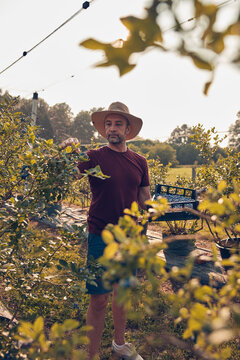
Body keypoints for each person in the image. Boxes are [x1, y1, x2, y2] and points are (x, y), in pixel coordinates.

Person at [61, 102, 150, 360]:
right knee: (99, 300)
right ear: (104, 130)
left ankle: (119, 345)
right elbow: (69, 176)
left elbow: (144, 199)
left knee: (121, 295)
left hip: (128, 240)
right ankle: (92, 355)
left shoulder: (140, 162)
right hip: (100, 235)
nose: (112, 128)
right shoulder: (93, 157)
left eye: (118, 124)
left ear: (128, 129)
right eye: (108, 124)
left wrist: (155, 213)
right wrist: (66, 154)